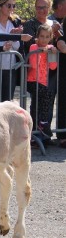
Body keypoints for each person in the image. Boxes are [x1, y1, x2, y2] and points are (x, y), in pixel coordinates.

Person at [26, 24, 57, 145]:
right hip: (33, 81)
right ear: (37, 37)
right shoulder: (34, 46)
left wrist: (51, 53)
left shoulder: (50, 48)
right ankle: (41, 124)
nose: (44, 39)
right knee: (44, 95)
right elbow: (33, 64)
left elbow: (53, 66)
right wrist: (41, 52)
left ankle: (38, 127)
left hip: (44, 82)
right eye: (42, 36)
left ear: (50, 37)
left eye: (47, 37)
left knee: (38, 104)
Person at [55, 18, 66, 148]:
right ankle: (63, 136)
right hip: (63, 75)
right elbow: (62, 47)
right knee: (63, 103)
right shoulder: (62, 39)